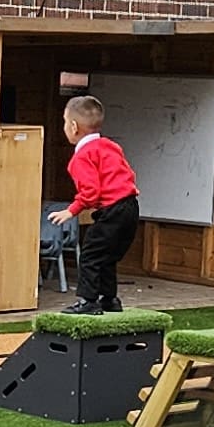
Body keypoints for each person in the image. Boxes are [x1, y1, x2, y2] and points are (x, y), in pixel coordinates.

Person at [61, 92, 140, 315]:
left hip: (112, 210)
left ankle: (88, 302)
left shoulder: (81, 157)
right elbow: (127, 174)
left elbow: (91, 192)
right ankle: (109, 299)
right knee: (107, 255)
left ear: (74, 126)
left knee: (90, 255)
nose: (65, 127)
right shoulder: (110, 146)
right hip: (130, 206)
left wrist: (71, 211)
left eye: (65, 122)